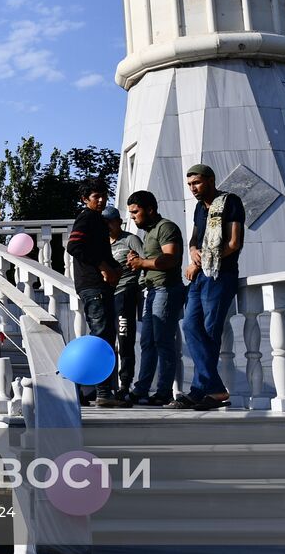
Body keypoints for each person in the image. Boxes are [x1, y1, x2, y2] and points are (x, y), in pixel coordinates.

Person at [174, 163, 245, 410]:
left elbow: (234, 243)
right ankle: (213, 388)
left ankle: (199, 389)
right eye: (190, 184)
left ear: (211, 180)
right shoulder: (198, 208)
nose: (193, 188)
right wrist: (193, 251)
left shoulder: (230, 201)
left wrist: (205, 261)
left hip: (220, 273)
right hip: (200, 274)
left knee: (209, 330)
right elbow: (194, 238)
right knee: (191, 325)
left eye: (197, 183)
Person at [65, 180, 122, 405]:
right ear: (85, 199)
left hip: (98, 285)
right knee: (102, 338)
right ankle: (102, 393)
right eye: (96, 196)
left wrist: (114, 267)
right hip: (93, 285)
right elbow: (74, 246)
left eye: (103, 196)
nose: (101, 200)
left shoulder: (97, 220)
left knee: (103, 336)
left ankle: (88, 391)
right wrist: (104, 267)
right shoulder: (88, 217)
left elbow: (96, 250)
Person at [125, 190, 184, 406]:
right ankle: (141, 389)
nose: (133, 217)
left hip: (166, 290)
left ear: (150, 209)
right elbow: (153, 259)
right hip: (152, 291)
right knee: (147, 342)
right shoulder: (148, 232)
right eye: (131, 213)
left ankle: (164, 392)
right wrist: (138, 260)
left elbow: (171, 259)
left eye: (135, 212)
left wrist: (142, 263)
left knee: (163, 342)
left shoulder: (166, 227)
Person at [103, 205, 144, 404]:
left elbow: (145, 262)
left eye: (111, 222)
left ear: (119, 221)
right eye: (104, 223)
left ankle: (125, 384)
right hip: (106, 296)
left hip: (125, 292)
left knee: (125, 339)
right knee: (107, 341)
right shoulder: (101, 244)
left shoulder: (130, 239)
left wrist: (139, 284)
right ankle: (106, 386)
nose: (108, 226)